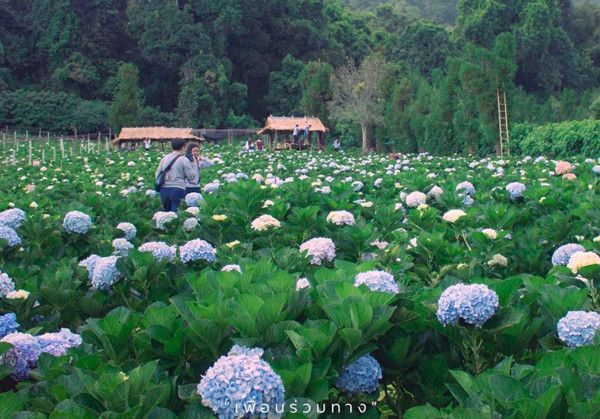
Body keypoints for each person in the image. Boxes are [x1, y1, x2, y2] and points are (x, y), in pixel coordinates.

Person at [155, 138, 196, 212]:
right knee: (177, 215)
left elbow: (157, 174)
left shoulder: (164, 159)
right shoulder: (184, 159)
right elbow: (191, 177)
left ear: (172, 147)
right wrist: (195, 164)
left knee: (167, 215)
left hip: (164, 190)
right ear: (183, 147)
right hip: (178, 189)